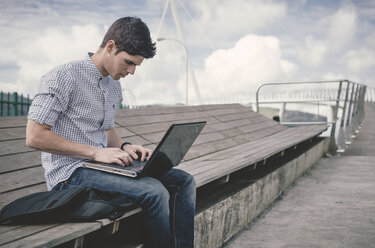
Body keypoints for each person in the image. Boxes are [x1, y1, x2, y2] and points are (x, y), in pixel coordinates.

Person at [26, 17, 196, 248]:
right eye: (128, 62)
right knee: (154, 191)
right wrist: (96, 153)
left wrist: (125, 147)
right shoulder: (63, 77)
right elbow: (35, 136)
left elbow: (106, 129)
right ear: (110, 47)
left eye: (136, 65)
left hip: (102, 167)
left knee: (184, 180)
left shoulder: (113, 84)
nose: (132, 71)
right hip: (69, 175)